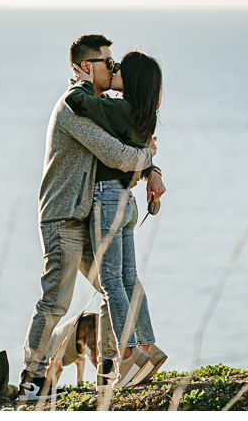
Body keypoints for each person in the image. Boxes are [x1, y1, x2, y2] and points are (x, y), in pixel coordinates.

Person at [18, 34, 165, 405]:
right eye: (108, 63)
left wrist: (152, 165)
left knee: (109, 289)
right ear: (86, 66)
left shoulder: (98, 105)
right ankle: (33, 380)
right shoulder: (74, 109)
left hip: (87, 216)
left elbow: (132, 141)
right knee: (55, 302)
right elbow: (115, 153)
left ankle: (111, 367)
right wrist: (147, 157)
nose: (114, 69)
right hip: (64, 216)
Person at [66, 50, 168, 389]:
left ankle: (126, 358)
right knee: (129, 279)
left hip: (106, 201)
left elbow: (80, 104)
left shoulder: (119, 109)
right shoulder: (144, 115)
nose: (114, 70)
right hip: (126, 201)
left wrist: (82, 81)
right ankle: (147, 347)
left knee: (111, 282)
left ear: (133, 79)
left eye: (119, 67)